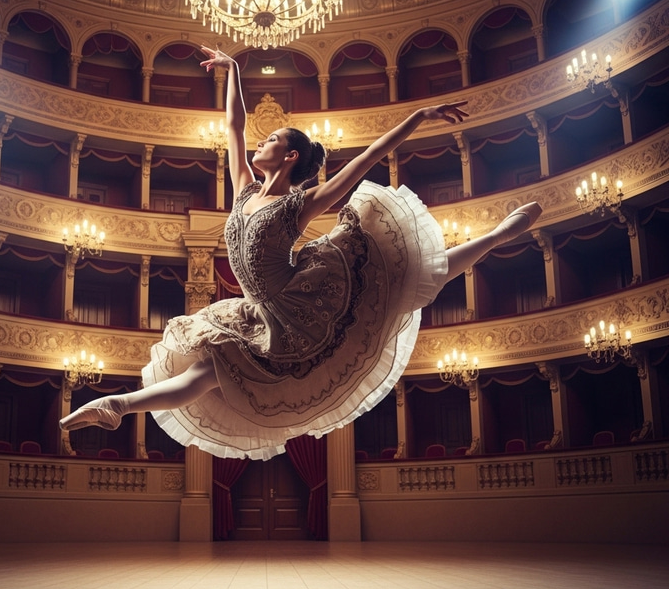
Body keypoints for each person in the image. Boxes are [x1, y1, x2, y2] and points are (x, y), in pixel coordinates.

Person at [59, 47, 541, 459]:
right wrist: (232, 71)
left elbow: (363, 162)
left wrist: (417, 118)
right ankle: (118, 406)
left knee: (398, 275)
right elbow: (233, 124)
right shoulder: (244, 190)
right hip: (259, 309)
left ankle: (497, 236)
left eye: (271, 140)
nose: (259, 143)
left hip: (298, 305)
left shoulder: (301, 203)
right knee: (209, 370)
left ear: (290, 157)